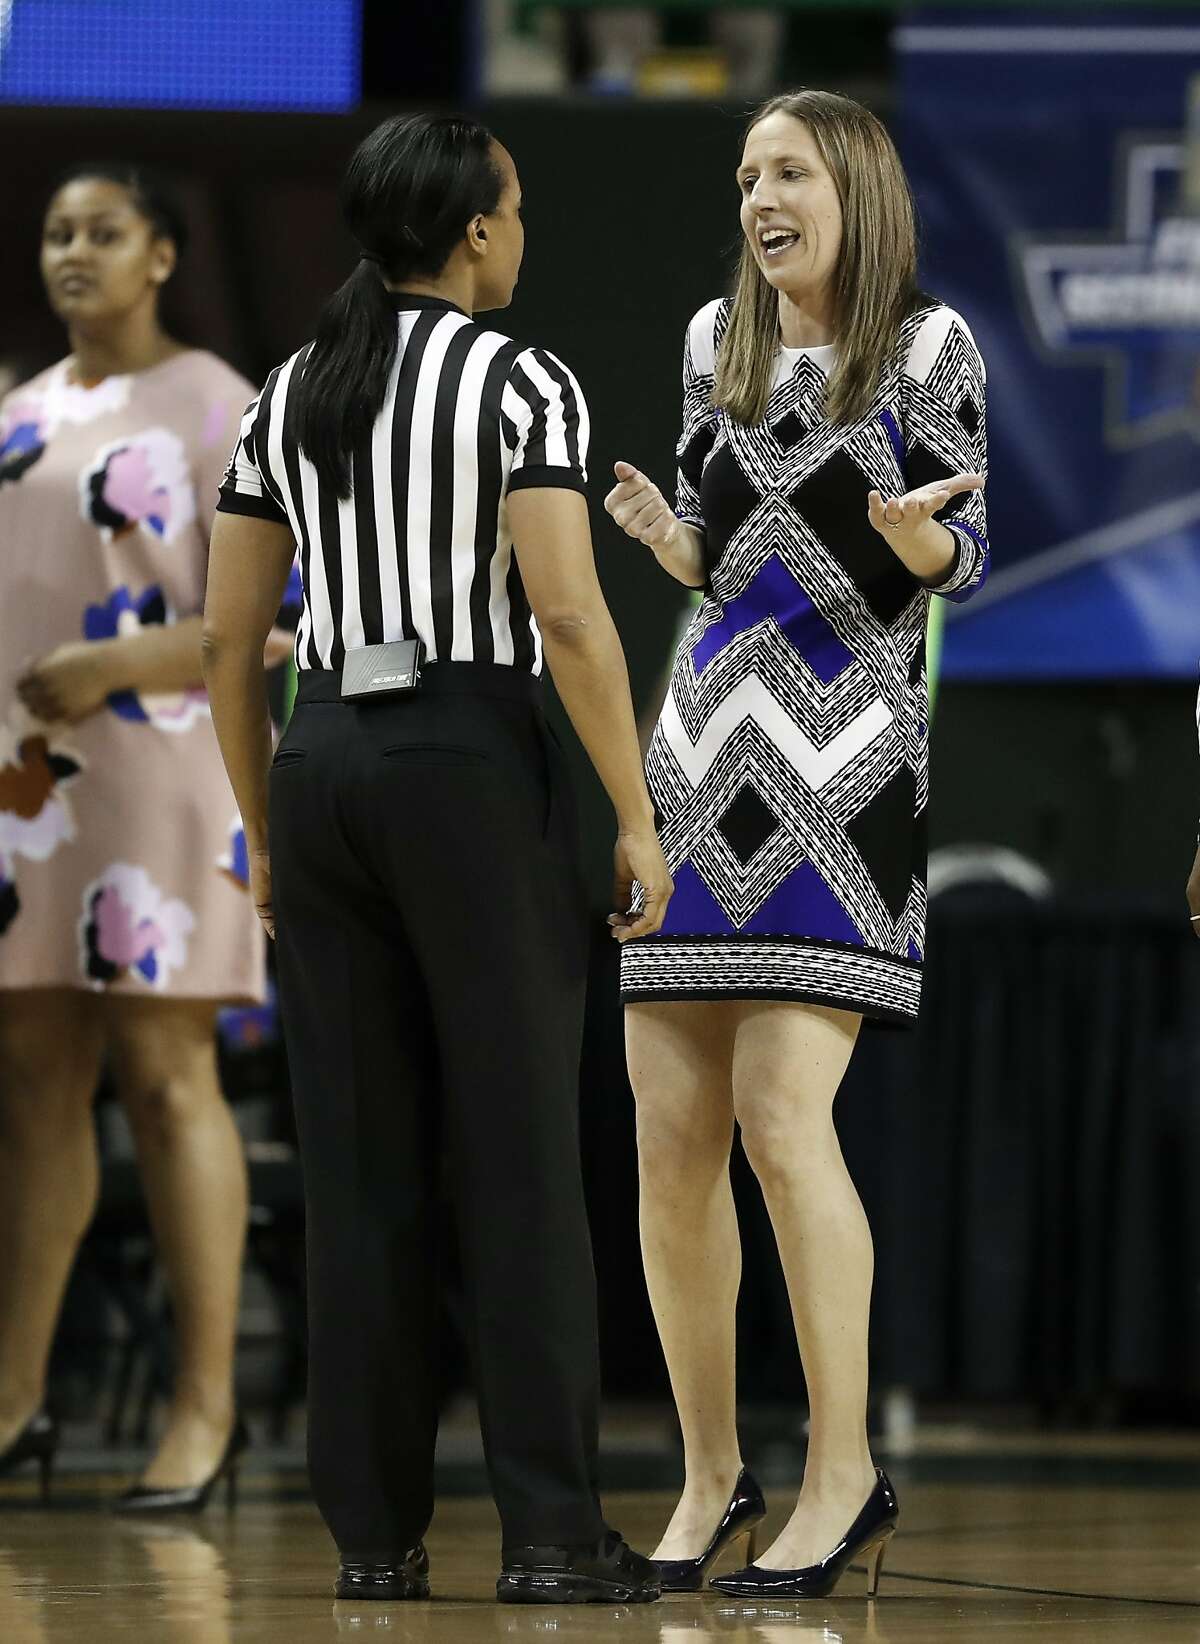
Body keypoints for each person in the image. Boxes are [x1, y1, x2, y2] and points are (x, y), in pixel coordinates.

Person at [201, 112, 671, 1605]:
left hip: (323, 758)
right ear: (473, 231)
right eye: (516, 210)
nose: (523, 234)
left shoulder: (287, 390)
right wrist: (636, 812)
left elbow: (230, 639)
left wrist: (263, 830)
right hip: (466, 760)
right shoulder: (519, 376)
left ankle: (373, 1542)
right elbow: (571, 616)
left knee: (364, 1172)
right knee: (522, 1162)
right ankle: (546, 1536)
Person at [605, 89, 990, 1599]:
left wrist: (923, 545)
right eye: (748, 172)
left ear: (855, 191)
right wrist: (664, 542)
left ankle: (844, 1476)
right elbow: (730, 548)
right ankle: (713, 1480)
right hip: (698, 739)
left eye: (789, 170)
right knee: (664, 1137)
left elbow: (969, 546)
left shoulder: (932, 348)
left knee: (781, 1118)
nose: (761, 195)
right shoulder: (716, 340)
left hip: (847, 751)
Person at [0, 164, 285, 1509]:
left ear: (162, 255)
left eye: (103, 232)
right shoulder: (22, 408)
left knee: (168, 1078)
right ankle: (15, 1395)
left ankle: (205, 1404)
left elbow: (272, 624)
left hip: (163, 770)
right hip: (28, 787)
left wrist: (110, 672)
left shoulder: (223, 405)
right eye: (59, 233)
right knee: (32, 1082)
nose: (74, 253)